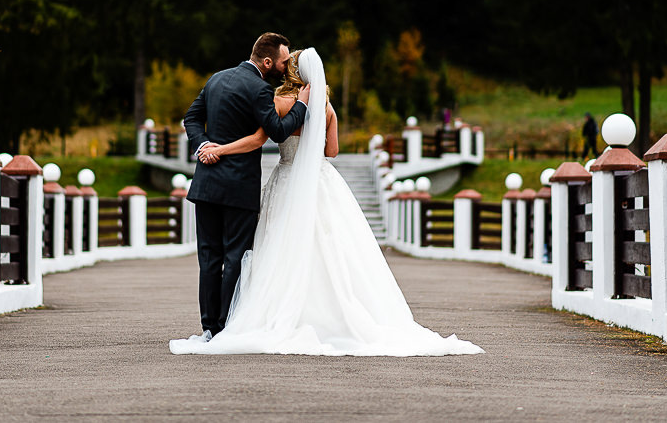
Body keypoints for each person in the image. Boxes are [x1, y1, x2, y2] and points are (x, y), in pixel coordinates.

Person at [171, 48, 483, 356]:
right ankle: (325, 311)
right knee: (327, 247)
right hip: (321, 182)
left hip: (284, 180)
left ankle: (219, 326)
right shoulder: (327, 108)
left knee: (269, 249)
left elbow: (263, 138)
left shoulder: (277, 101)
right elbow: (331, 152)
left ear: (290, 71)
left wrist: (216, 148)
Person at [182, 32, 312, 340]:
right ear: (267, 62)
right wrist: (302, 106)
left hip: (207, 184)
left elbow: (191, 119)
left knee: (209, 258)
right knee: (235, 257)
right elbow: (278, 131)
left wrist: (204, 147)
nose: (285, 67)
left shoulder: (216, 79)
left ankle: (208, 327)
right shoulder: (259, 89)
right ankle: (227, 326)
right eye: (282, 62)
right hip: (238, 187)